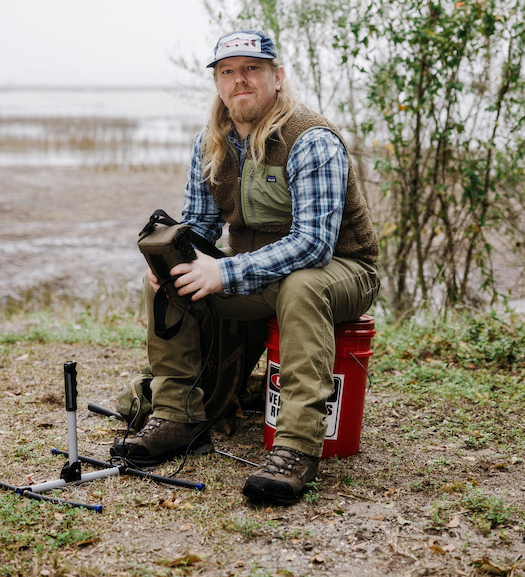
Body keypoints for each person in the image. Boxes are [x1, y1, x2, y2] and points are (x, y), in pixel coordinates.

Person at [112, 30, 380, 504]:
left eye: (252, 68)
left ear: (277, 77)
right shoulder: (210, 143)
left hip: (341, 270)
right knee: (168, 279)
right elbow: (199, 225)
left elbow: (314, 245)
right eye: (228, 71)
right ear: (217, 83)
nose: (241, 80)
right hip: (263, 274)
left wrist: (224, 273)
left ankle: (296, 448)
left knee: (301, 286)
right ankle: (179, 419)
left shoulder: (311, 139)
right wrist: (173, 257)